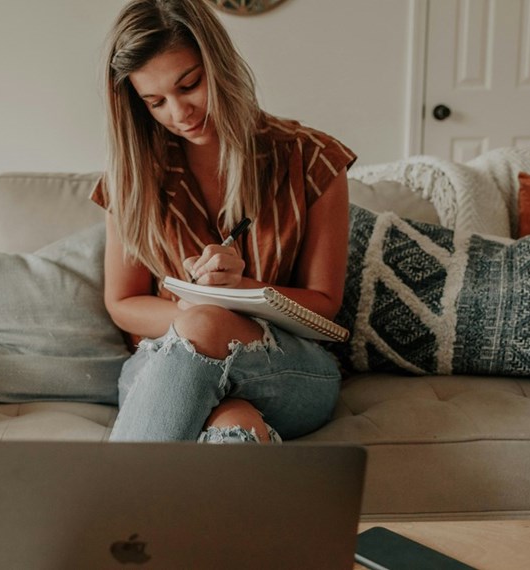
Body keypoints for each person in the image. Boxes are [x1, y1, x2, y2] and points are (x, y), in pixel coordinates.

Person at [93, 0, 356, 443]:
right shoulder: (133, 177)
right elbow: (122, 304)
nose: (179, 114)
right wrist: (192, 312)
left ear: (220, 64)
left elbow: (325, 303)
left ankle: (112, 506)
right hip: (163, 364)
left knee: (208, 324)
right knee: (234, 425)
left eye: (190, 85)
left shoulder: (312, 157)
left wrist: (239, 293)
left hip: (287, 370)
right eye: (155, 102)